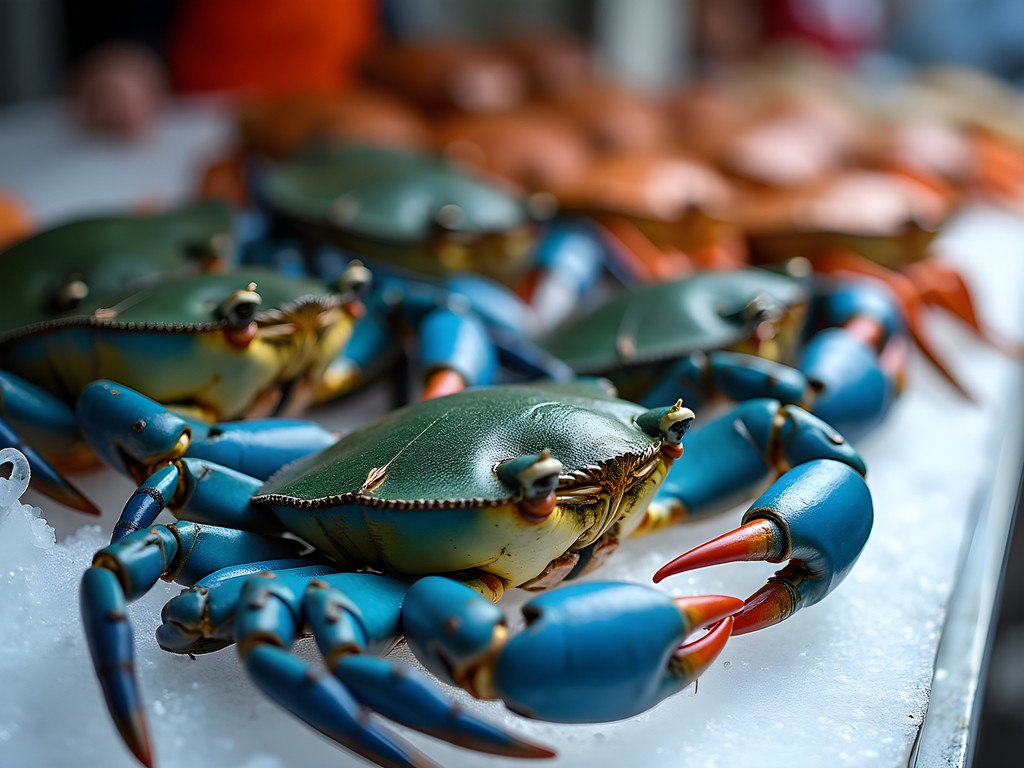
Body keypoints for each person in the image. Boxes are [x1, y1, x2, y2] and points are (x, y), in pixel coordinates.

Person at [63, 0, 380, 139]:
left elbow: (395, 47)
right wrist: (125, 64)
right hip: (200, 129)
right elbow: (138, 29)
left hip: (343, 123)